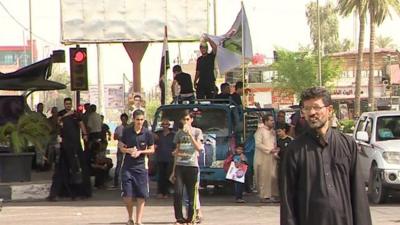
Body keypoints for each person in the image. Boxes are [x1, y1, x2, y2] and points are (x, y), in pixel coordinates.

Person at [280, 87, 372, 225]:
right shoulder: (294, 150)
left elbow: (358, 193)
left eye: (316, 107)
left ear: (329, 110)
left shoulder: (347, 145)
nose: (311, 113)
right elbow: (288, 199)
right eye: (307, 108)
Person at [47, 97, 92, 201]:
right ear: (64, 104)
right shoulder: (61, 114)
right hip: (65, 145)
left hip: (75, 145)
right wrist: (66, 115)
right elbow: (57, 122)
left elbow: (81, 124)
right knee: (62, 168)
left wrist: (85, 134)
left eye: (69, 103)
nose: (68, 105)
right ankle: (58, 193)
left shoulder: (76, 114)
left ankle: (80, 193)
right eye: (66, 103)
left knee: (78, 168)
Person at [119, 110, 154, 225]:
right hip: (127, 167)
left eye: (141, 120)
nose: (139, 122)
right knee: (127, 196)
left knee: (141, 194)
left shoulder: (147, 133)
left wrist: (141, 152)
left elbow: (152, 149)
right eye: (137, 119)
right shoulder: (127, 131)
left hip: (141, 167)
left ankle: (139, 220)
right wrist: (128, 150)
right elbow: (121, 146)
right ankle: (130, 217)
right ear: (133, 119)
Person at [171, 110, 203, 225]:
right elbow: (177, 149)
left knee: (191, 193)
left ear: (191, 120)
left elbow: (199, 148)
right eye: (184, 120)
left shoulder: (197, 131)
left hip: (192, 165)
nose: (186, 122)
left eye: (188, 119)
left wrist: (190, 135)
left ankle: (191, 218)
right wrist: (173, 170)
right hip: (180, 166)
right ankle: (179, 218)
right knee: (178, 193)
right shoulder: (179, 134)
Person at [253, 114, 279, 203]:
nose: (273, 122)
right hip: (262, 158)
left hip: (272, 157)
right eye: (271, 120)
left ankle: (273, 195)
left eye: (273, 120)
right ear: (266, 121)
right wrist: (269, 150)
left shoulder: (272, 132)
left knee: (273, 176)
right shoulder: (260, 131)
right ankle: (264, 196)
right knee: (263, 177)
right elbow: (258, 144)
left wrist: (275, 151)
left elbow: (274, 143)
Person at [154, 118, 175, 198]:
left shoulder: (173, 135)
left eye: (167, 124)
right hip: (160, 158)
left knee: (168, 176)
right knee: (160, 176)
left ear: (169, 125)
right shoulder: (158, 134)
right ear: (161, 125)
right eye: (164, 124)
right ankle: (160, 192)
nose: (165, 126)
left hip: (170, 158)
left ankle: (166, 192)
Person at [112, 113, 129, 188]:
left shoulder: (130, 127)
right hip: (120, 147)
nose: (124, 120)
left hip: (129, 147)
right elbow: (115, 137)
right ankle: (116, 180)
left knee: (128, 164)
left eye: (125, 119)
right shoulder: (119, 128)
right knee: (119, 163)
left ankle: (127, 180)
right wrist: (120, 137)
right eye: (122, 119)